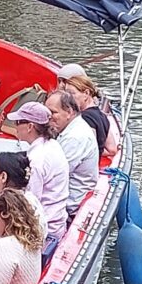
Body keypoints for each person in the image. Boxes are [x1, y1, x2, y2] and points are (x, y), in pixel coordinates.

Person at [6, 101, 70, 238]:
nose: (15, 127)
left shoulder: (36, 159)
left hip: (46, 228)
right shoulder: (53, 145)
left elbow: (30, 201)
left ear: (30, 126)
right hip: (57, 221)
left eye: (18, 122)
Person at [46, 89, 99, 217]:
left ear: (69, 112)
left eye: (53, 112)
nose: (48, 117)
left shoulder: (75, 138)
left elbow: (54, 175)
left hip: (70, 206)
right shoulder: (71, 129)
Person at [57, 64, 119, 157]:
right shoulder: (101, 115)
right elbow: (112, 149)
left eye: (65, 81)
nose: (61, 85)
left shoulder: (83, 119)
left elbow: (88, 150)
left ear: (86, 93)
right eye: (59, 81)